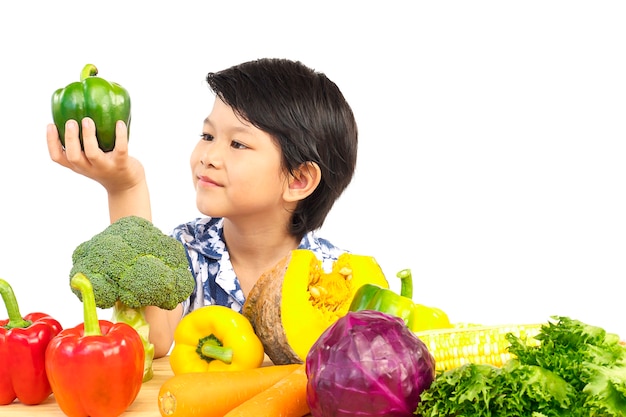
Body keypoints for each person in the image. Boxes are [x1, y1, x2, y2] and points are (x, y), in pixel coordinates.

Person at [47, 58, 358, 358]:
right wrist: (125, 186)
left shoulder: (337, 277)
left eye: (238, 144)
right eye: (208, 135)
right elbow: (152, 341)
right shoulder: (187, 251)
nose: (207, 155)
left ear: (299, 180)